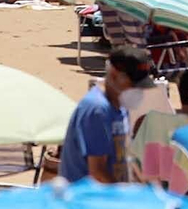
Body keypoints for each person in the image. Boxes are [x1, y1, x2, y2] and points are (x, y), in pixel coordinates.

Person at [58, 46, 154, 183]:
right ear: (114, 75)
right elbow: (97, 172)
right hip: (88, 199)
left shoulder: (121, 106)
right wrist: (125, 196)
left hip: (110, 195)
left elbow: (125, 155)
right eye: (133, 84)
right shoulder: (98, 110)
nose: (137, 90)